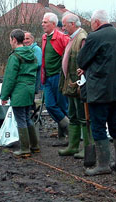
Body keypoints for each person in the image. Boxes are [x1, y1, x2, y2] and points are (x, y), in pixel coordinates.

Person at [77, 10, 116, 176]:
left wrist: (85, 67)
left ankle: (103, 165)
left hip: (99, 90)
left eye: (92, 23)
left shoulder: (94, 37)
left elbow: (82, 60)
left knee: (98, 126)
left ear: (96, 22)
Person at [58, 13, 94, 159]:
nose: (64, 28)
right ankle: (72, 146)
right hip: (71, 84)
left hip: (79, 85)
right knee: (73, 115)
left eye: (65, 25)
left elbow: (85, 62)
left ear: (73, 24)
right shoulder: (73, 38)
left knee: (83, 116)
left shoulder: (82, 38)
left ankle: (86, 148)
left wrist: (82, 82)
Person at [0, 29, 39, 157]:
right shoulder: (32, 54)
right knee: (27, 117)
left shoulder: (15, 57)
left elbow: (9, 78)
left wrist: (4, 96)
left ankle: (25, 149)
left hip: (19, 91)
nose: (10, 42)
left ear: (14, 40)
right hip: (29, 90)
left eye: (10, 40)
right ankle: (34, 146)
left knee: (20, 119)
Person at [41, 12, 70, 146]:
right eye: (42, 22)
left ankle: (64, 137)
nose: (43, 24)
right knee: (50, 105)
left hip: (59, 76)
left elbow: (70, 54)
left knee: (62, 106)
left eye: (45, 22)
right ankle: (69, 128)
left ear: (53, 24)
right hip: (47, 77)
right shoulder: (44, 37)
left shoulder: (62, 38)